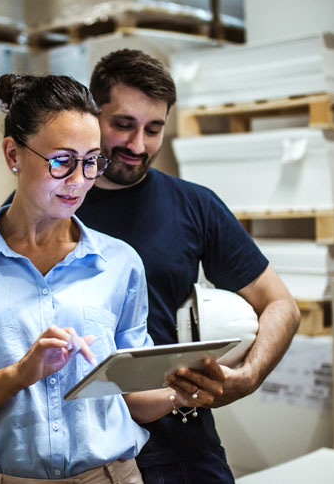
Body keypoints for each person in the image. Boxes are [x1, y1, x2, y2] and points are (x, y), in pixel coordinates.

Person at [0, 74, 208, 483]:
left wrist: (181, 390)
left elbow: (131, 396)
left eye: (92, 161)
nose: (79, 181)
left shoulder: (119, 263)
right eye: (62, 161)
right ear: (13, 154)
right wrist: (17, 375)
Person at [79, 50, 301, 482]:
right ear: (93, 112)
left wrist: (248, 376)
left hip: (179, 445)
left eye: (154, 129)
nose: (138, 145)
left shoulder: (194, 204)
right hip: (84, 451)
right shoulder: (53, 205)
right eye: (123, 125)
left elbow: (281, 305)